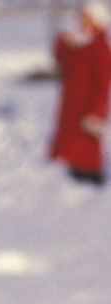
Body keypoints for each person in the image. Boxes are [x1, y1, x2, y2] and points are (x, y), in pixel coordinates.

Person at [49, 0, 111, 185]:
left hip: (86, 111)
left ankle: (91, 189)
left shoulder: (101, 48)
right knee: (70, 154)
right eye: (82, 15)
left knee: (86, 153)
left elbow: (102, 85)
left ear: (97, 20)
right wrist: (63, 40)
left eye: (87, 16)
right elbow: (61, 58)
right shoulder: (80, 43)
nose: (82, 20)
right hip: (71, 108)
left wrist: (95, 113)